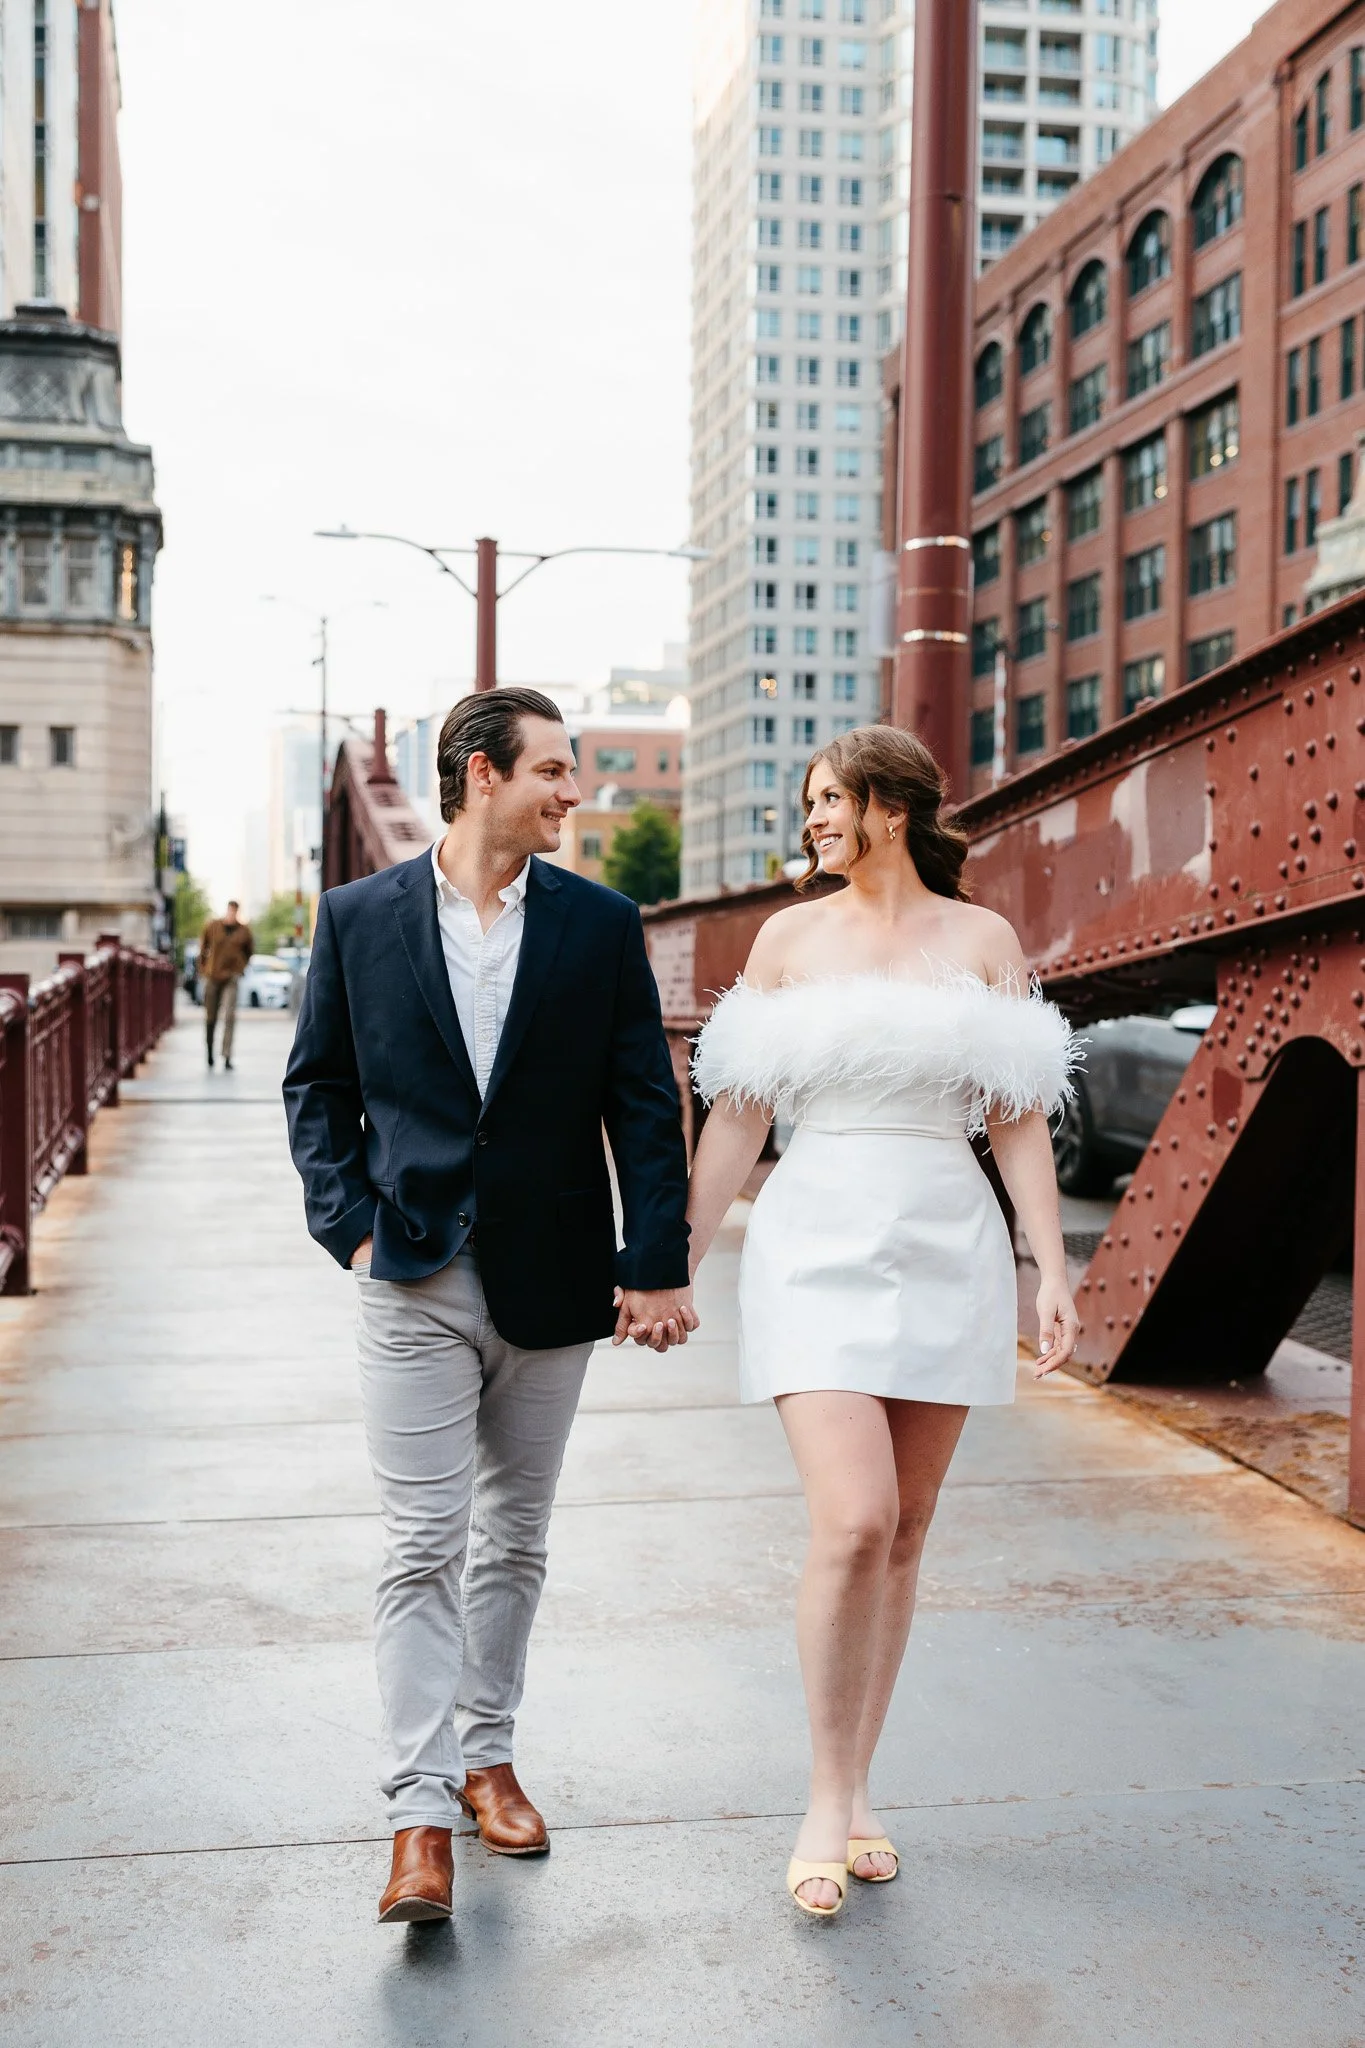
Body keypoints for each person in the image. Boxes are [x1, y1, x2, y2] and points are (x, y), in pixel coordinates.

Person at [283, 686, 696, 1926]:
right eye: (556, 772)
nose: (576, 792)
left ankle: (488, 1754)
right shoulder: (357, 918)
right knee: (422, 1542)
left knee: (515, 1534)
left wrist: (654, 1259)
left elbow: (642, 1101)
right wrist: (348, 1226)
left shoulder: (601, 923)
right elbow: (319, 1085)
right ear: (477, 775)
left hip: (556, 1275)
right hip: (407, 1270)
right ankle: (417, 1814)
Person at [685, 725, 1079, 1920]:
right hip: (814, 1239)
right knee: (853, 1518)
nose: (810, 820)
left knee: (905, 1531)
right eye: (807, 801)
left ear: (889, 809)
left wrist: (1048, 1264)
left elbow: (1015, 1116)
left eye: (826, 800)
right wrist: (671, 1264)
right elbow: (739, 1116)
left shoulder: (983, 940)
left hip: (945, 1243)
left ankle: (860, 1789)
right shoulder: (787, 940)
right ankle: (820, 1794)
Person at [199, 899, 254, 1070]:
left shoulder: (244, 931)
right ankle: (209, 1051)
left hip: (231, 977)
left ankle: (227, 1055)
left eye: (234, 911)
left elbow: (249, 952)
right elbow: (202, 948)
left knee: (229, 1016)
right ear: (226, 910)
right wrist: (203, 969)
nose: (232, 914)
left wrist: (240, 967)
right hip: (213, 976)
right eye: (230, 910)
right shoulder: (212, 926)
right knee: (210, 1017)